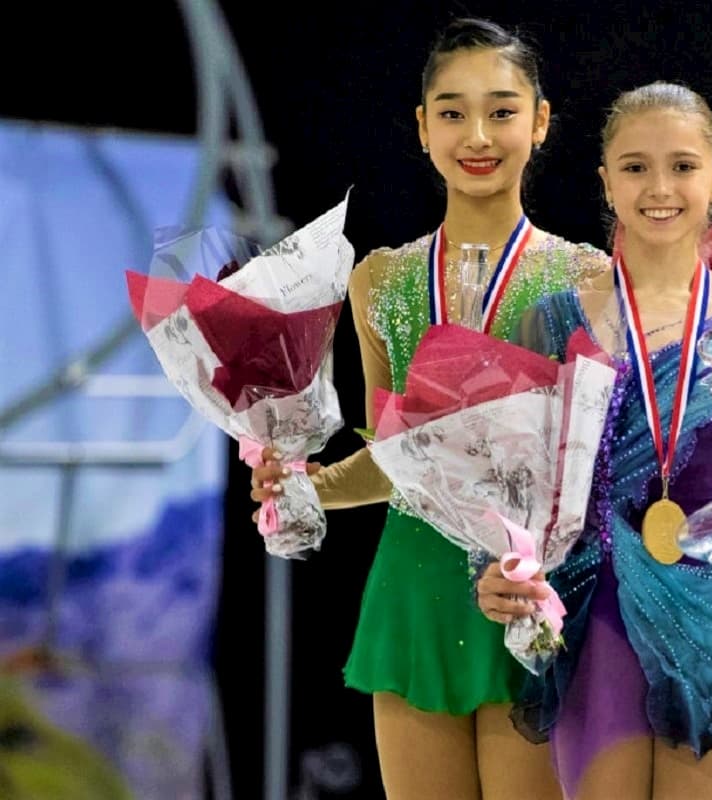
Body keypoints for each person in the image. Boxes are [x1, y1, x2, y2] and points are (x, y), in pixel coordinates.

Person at [249, 18, 608, 799]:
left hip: (532, 589)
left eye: (503, 110)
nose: (477, 134)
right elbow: (393, 458)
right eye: (452, 111)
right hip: (414, 588)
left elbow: (601, 460)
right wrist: (301, 486)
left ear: (541, 122)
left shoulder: (589, 279)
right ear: (422, 128)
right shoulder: (377, 280)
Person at [476, 81, 712, 800]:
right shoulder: (551, 321)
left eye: (683, 166)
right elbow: (514, 486)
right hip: (591, 609)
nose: (659, 187)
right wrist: (495, 566)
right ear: (605, 180)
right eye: (635, 167)